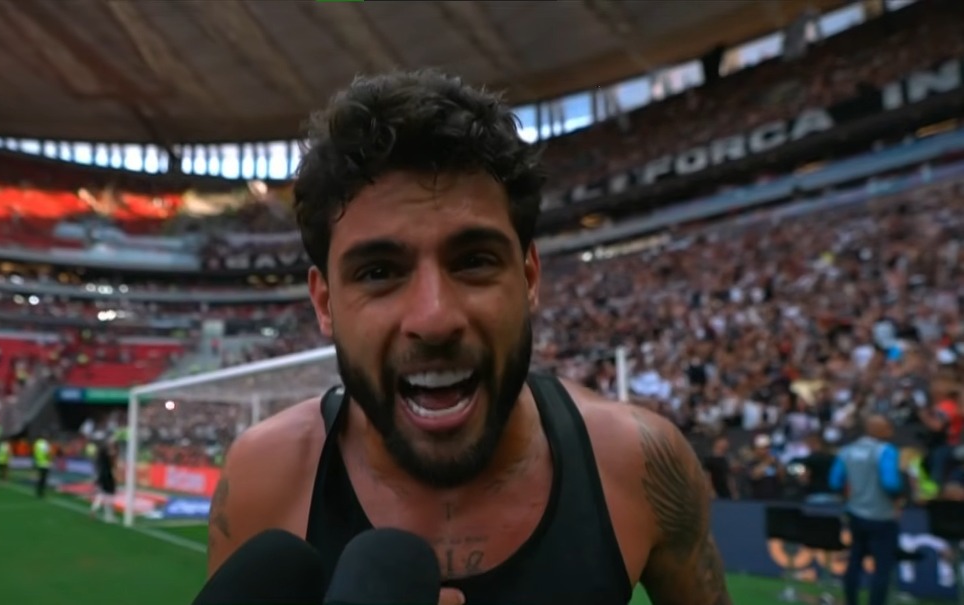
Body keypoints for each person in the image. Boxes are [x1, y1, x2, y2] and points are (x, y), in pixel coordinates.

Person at [206, 70, 731, 605]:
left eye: (475, 261)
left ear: (528, 277)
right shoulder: (264, 478)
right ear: (325, 303)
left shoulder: (640, 461)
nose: (434, 318)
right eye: (379, 272)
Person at [829, 415, 904, 605]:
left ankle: (851, 601)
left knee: (854, 561)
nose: (890, 432)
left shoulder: (847, 451)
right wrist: (898, 499)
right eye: (887, 427)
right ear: (875, 429)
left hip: (855, 513)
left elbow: (834, 481)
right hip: (882, 516)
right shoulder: (885, 451)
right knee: (882, 567)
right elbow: (891, 483)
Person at [90, 439, 116, 523]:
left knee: (101, 494)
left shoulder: (99, 456)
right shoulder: (106, 455)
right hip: (106, 476)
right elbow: (112, 461)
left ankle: (94, 509)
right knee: (109, 496)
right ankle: (109, 517)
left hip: (101, 476)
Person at [32, 434, 52, 498]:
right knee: (44, 478)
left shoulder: (37, 443)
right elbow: (47, 453)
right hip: (45, 463)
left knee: (40, 477)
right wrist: (50, 460)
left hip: (39, 462)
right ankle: (42, 492)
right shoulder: (45, 443)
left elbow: (35, 452)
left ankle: (38, 491)